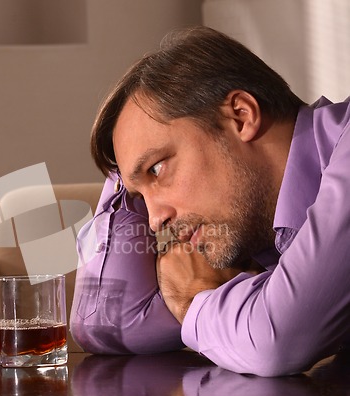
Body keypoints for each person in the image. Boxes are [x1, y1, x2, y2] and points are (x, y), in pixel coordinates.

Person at [70, 26, 350, 376]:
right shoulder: (257, 231)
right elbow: (104, 323)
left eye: (158, 168)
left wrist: (194, 299)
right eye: (140, 196)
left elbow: (278, 342)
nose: (155, 220)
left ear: (241, 115)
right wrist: (127, 169)